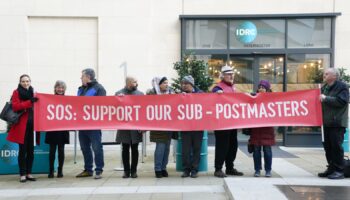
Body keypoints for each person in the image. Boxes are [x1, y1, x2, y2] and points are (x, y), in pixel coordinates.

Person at [212, 65, 243, 178]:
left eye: (232, 74)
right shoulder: (218, 88)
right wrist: (217, 93)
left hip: (232, 123)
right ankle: (218, 168)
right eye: (228, 74)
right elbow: (212, 97)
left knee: (233, 146)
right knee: (222, 146)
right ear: (223, 76)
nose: (231, 76)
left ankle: (229, 167)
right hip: (221, 124)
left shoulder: (233, 88)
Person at [7, 74, 39, 183]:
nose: (26, 83)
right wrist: (30, 102)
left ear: (30, 82)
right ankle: (22, 174)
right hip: (22, 126)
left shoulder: (33, 92)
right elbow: (16, 106)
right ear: (20, 82)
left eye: (27, 81)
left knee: (31, 151)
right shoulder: (16, 92)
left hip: (32, 127)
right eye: (23, 81)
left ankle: (29, 173)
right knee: (23, 151)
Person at [319, 68, 349, 179]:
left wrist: (326, 98)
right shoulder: (324, 87)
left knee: (336, 146)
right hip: (326, 122)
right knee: (328, 146)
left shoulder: (342, 87)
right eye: (324, 73)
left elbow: (342, 101)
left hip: (337, 122)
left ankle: (339, 170)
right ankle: (331, 168)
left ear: (334, 76)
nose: (324, 75)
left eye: (327, 74)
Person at [76, 68, 106, 179]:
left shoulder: (99, 88)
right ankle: (88, 169)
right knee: (84, 148)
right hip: (82, 124)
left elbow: (102, 105)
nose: (81, 78)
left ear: (88, 77)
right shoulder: (80, 89)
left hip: (94, 125)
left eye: (82, 76)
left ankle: (98, 170)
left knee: (96, 147)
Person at [115, 76, 144, 178]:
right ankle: (126, 171)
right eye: (134, 82)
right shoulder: (119, 93)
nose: (136, 83)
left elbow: (143, 111)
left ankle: (134, 171)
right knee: (125, 149)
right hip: (124, 126)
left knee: (135, 149)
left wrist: (143, 126)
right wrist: (119, 99)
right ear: (128, 83)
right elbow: (114, 107)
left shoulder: (140, 94)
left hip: (136, 126)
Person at [146, 77, 175, 178]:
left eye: (167, 83)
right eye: (164, 83)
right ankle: (158, 169)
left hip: (169, 125)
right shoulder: (151, 93)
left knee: (167, 147)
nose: (167, 85)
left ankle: (163, 168)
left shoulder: (171, 92)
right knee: (160, 147)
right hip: (157, 125)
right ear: (159, 84)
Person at [248, 80, 275, 177]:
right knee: (256, 150)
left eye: (263, 87)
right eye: (260, 87)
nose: (261, 89)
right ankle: (257, 170)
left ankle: (268, 170)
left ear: (267, 89)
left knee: (267, 150)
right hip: (256, 129)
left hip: (267, 129)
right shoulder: (253, 97)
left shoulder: (272, 99)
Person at [45, 81, 70, 178]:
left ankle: (60, 170)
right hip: (52, 128)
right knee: (52, 150)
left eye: (62, 88)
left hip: (63, 128)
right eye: (58, 87)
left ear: (64, 89)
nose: (60, 89)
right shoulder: (49, 99)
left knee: (61, 149)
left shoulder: (68, 100)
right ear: (55, 88)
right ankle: (51, 171)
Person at [180, 75, 203, 178]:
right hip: (185, 127)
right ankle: (186, 169)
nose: (184, 86)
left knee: (197, 149)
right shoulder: (180, 95)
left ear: (191, 84)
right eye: (183, 84)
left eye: (186, 84)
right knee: (185, 149)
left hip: (198, 127)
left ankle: (194, 169)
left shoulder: (200, 94)